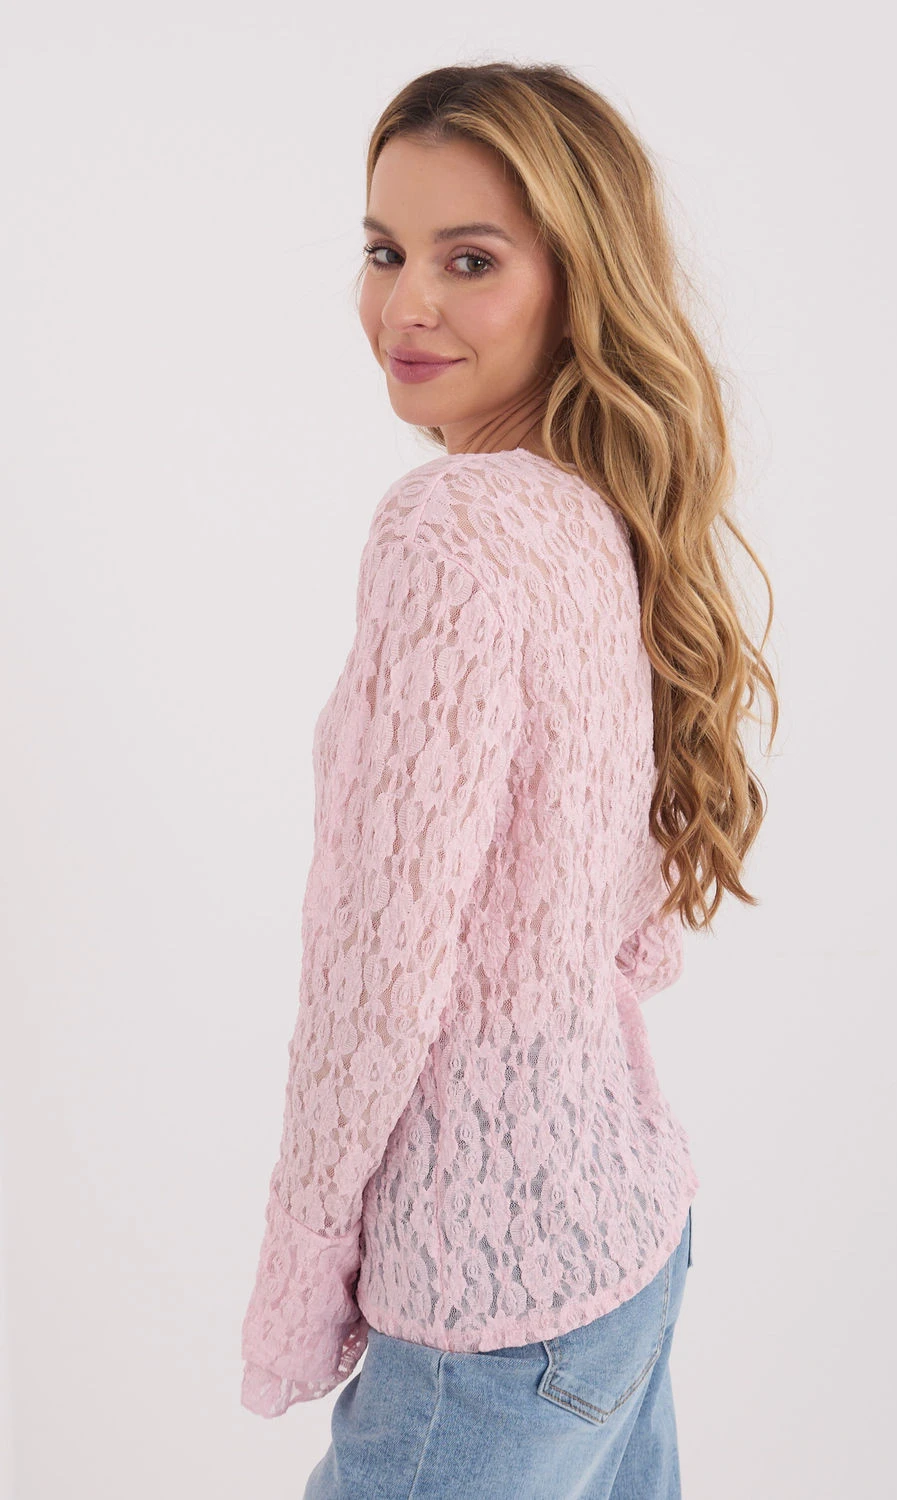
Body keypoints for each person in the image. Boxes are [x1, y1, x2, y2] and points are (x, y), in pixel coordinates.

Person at [239, 61, 778, 1500]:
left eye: (469, 260)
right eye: (384, 250)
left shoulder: (452, 531)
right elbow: (622, 914)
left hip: (488, 1308)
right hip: (628, 1234)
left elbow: (380, 962)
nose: (405, 305)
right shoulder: (599, 510)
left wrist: (304, 1263)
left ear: (575, 282)